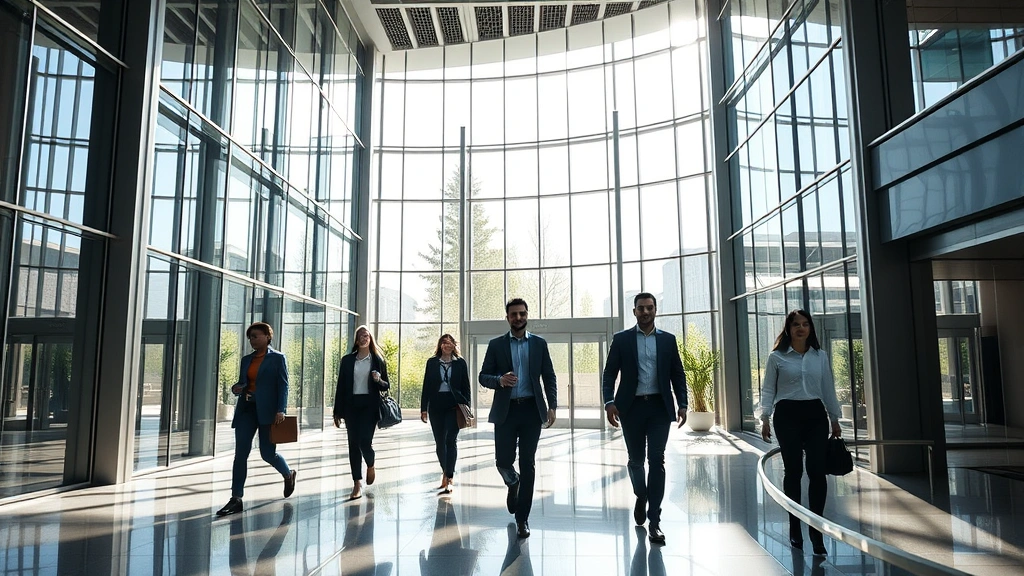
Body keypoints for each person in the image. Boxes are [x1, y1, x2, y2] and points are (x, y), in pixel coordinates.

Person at [602, 293, 688, 545]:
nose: (645, 312)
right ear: (634, 311)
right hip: (631, 408)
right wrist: (609, 402)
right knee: (636, 461)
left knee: (657, 460)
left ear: (656, 310)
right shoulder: (622, 340)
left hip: (660, 408)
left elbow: (677, 374)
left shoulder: (668, 340)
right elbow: (609, 374)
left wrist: (682, 403)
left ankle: (655, 522)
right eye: (641, 308)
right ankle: (641, 494)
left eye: (650, 308)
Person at [759, 309, 842, 556]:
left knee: (817, 471)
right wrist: (764, 418)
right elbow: (767, 390)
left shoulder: (820, 356)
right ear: (789, 328)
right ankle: (795, 527)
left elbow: (828, 387)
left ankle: (816, 532)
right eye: (796, 324)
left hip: (815, 415)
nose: (801, 328)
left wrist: (835, 419)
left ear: (810, 329)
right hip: (787, 415)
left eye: (805, 324)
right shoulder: (777, 357)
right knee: (793, 471)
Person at [479, 298, 557, 539]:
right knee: (503, 461)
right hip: (506, 410)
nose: (518, 318)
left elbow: (549, 376)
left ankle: (522, 518)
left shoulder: (539, 344)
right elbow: (483, 376)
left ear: (527, 315)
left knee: (528, 463)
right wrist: (499, 380)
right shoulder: (496, 345)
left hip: (532, 411)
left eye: (522, 313)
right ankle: (513, 482)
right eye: (514, 314)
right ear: (507, 318)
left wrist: (552, 406)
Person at [216, 322, 296, 516]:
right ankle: (236, 498)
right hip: (246, 409)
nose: (252, 340)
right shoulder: (246, 360)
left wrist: (281, 409)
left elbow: (283, 385)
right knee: (240, 454)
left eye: (256, 336)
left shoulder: (277, 359)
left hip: (268, 412)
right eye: (250, 337)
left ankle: (288, 474)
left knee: (267, 454)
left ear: (268, 337)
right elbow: (244, 382)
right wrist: (237, 388)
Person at [333, 325, 391, 500]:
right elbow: (341, 386)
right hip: (351, 406)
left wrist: (378, 379)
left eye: (366, 335)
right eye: (360, 336)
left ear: (370, 338)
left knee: (365, 442)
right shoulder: (348, 360)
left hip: (369, 406)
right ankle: (357, 483)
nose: (364, 338)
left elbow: (386, 385)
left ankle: (371, 464)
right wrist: (337, 411)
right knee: (353, 444)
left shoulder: (377, 359)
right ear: (356, 340)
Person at [420, 334, 472, 494]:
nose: (447, 345)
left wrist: (467, 407)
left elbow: (466, 386)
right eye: (444, 342)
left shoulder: (460, 363)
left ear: (454, 345)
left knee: (451, 440)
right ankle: (445, 470)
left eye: (450, 343)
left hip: (454, 405)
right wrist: (424, 408)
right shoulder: (432, 363)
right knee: (439, 443)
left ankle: (449, 477)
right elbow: (426, 385)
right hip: (436, 405)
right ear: (440, 345)